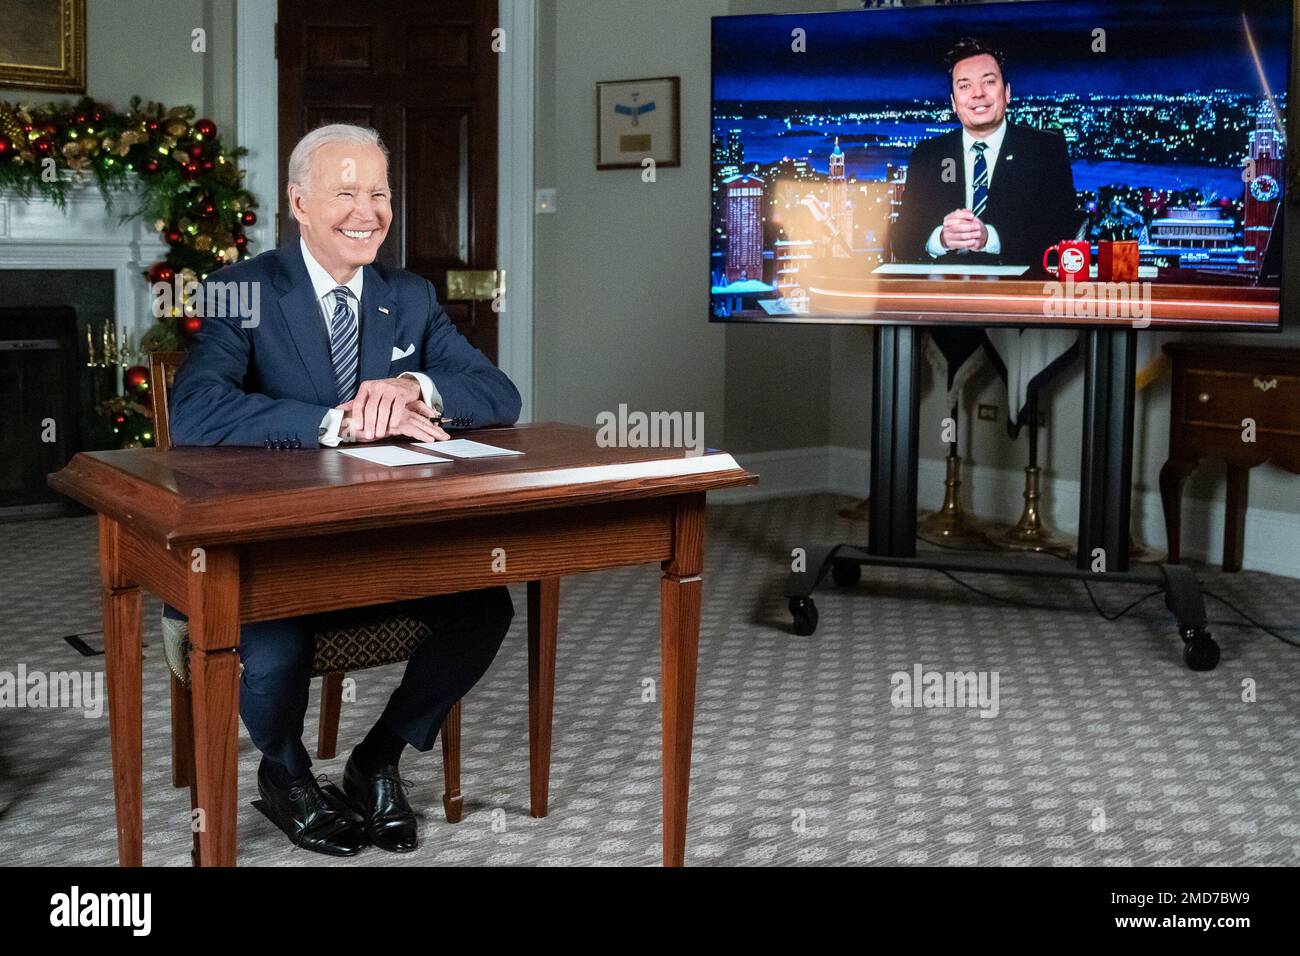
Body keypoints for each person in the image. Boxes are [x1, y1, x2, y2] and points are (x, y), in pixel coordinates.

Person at [167, 123, 521, 857]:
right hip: (269, 553)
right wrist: (337, 421)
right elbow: (196, 410)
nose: (368, 211)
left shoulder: (411, 295)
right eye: (346, 193)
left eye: (380, 193)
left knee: (483, 606)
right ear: (298, 202)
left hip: (382, 543)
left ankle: (376, 760)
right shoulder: (244, 290)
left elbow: (499, 393)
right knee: (273, 645)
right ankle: (286, 774)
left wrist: (411, 384)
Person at [890, 37, 1079, 267]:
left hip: (1022, 293)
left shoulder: (1045, 150)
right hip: (945, 292)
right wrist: (940, 239)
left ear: (1007, 92)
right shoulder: (929, 155)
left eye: (988, 82)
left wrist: (990, 239)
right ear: (953, 102)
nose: (977, 93)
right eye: (964, 86)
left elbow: (1064, 233)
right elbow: (901, 240)